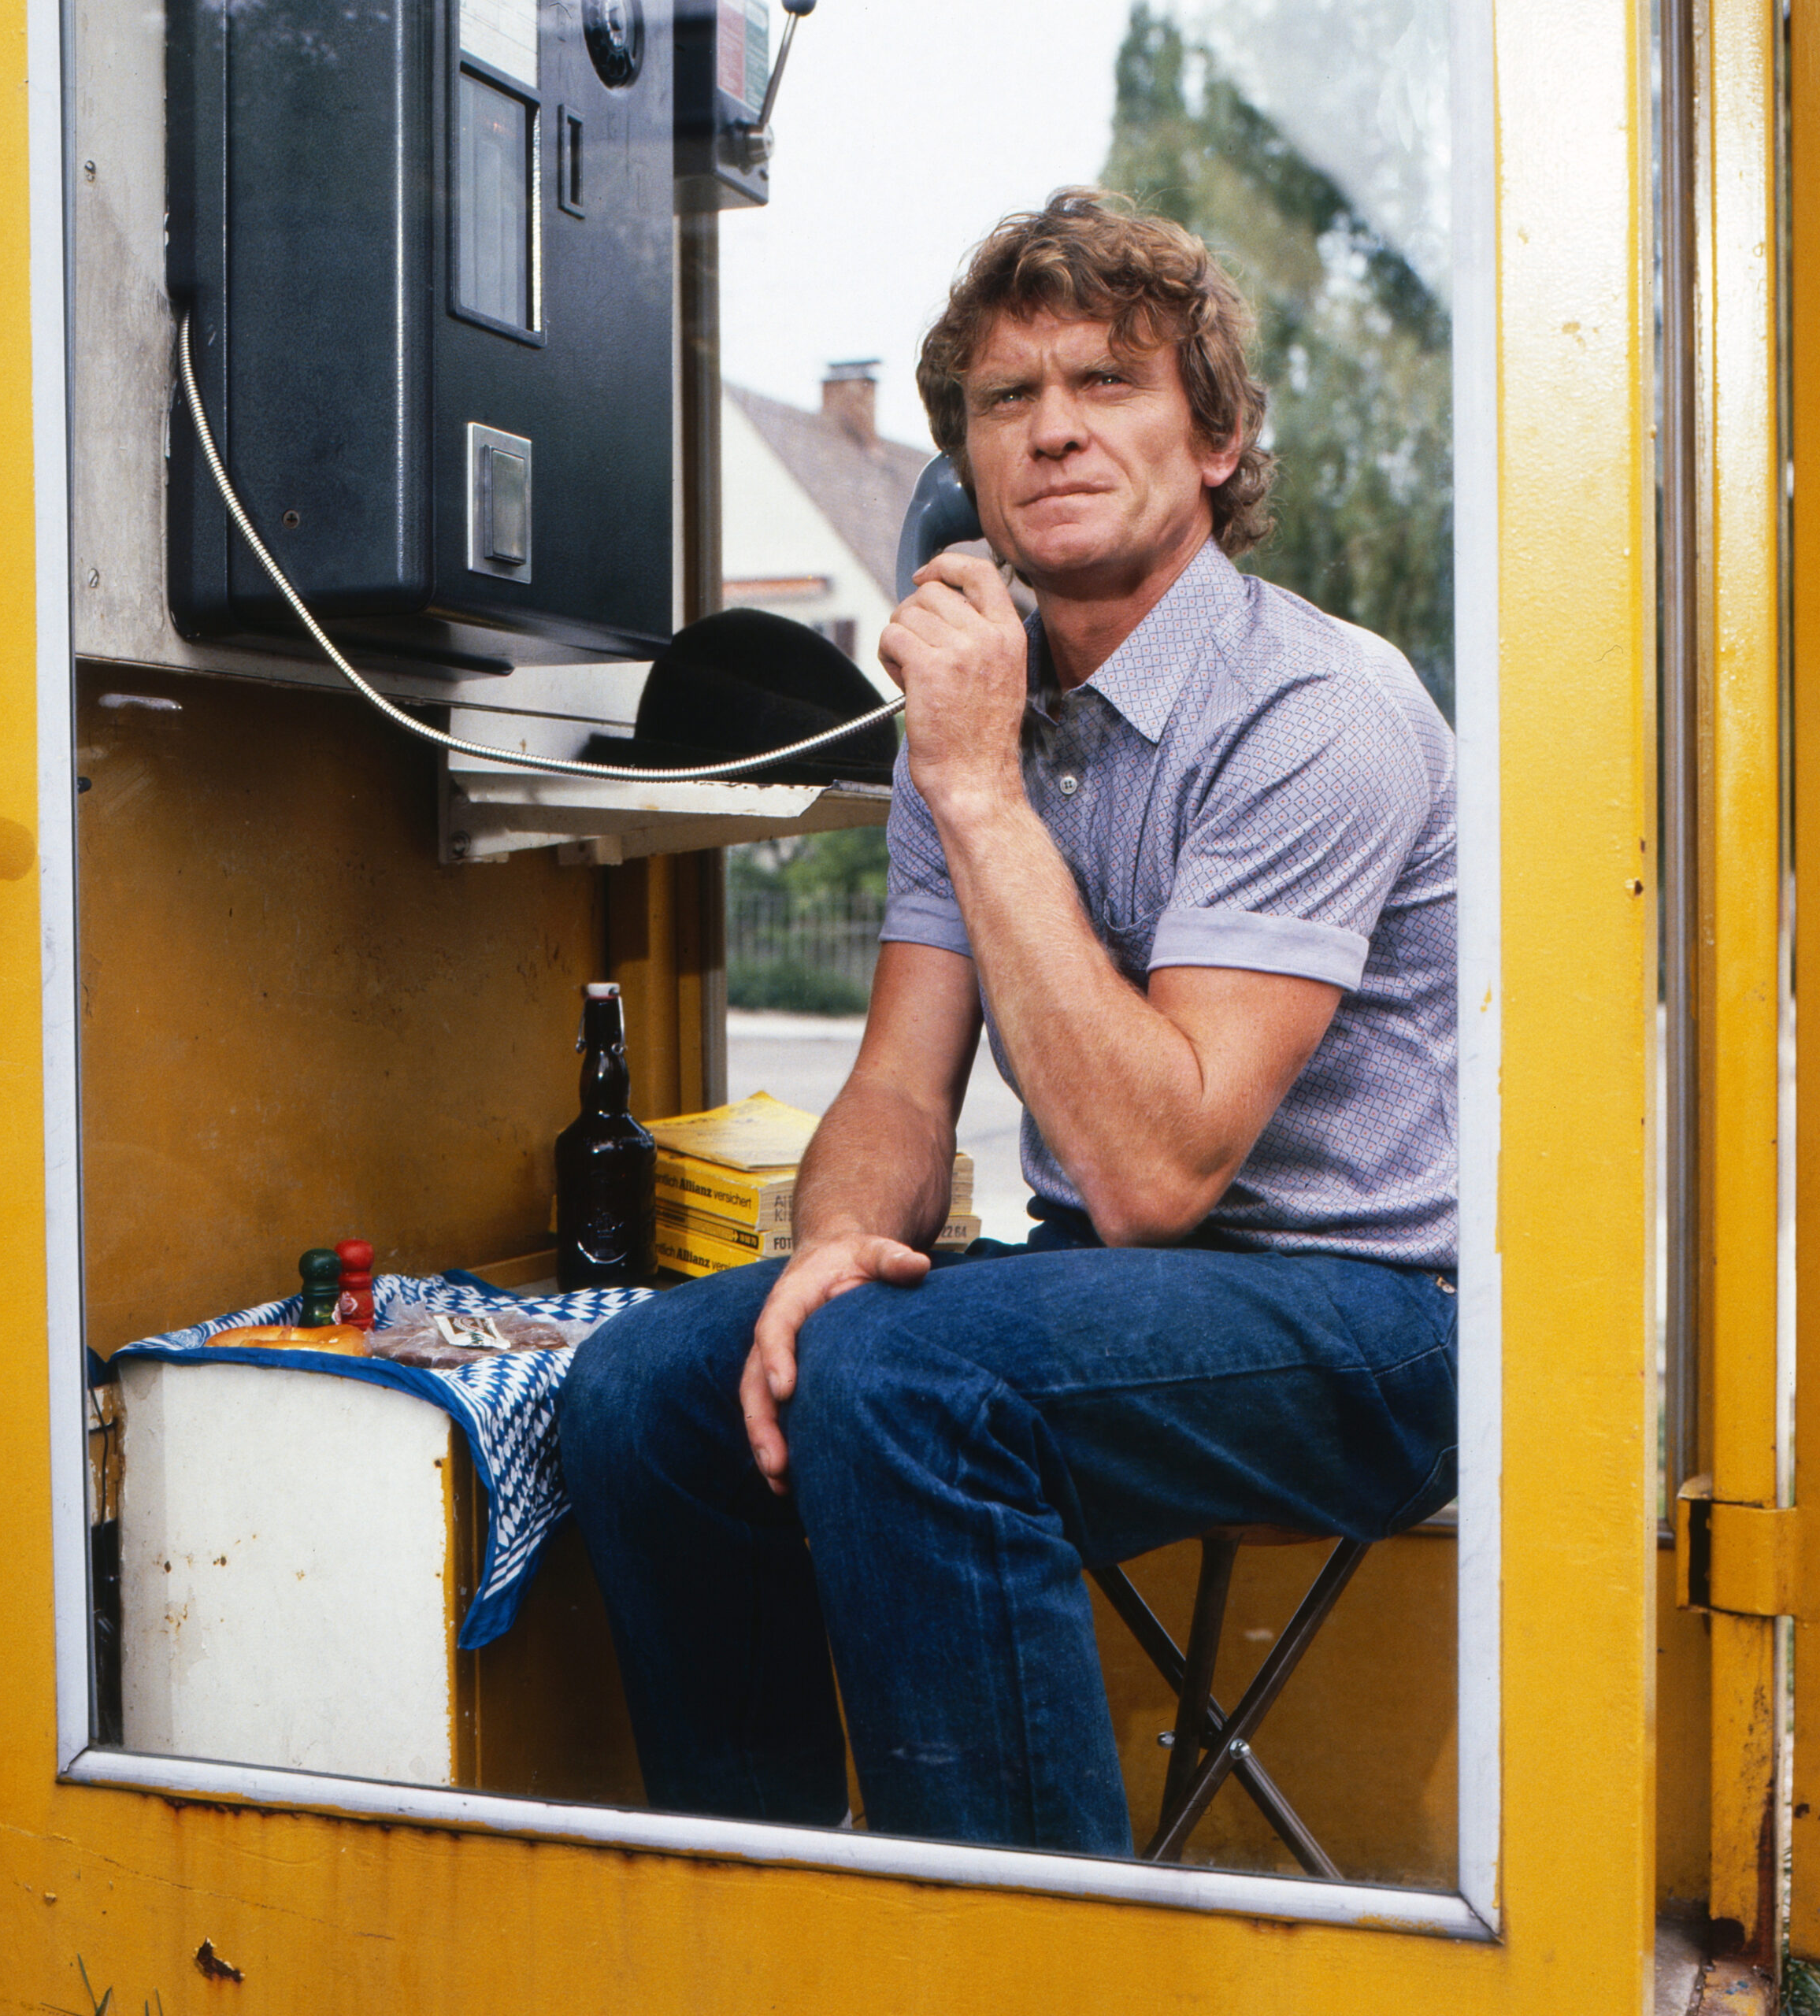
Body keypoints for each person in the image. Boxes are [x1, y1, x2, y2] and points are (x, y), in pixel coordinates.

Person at [558, 188, 1457, 1859]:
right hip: (1098, 1293)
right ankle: (779, 1909)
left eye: (1108, 381)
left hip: (1372, 1324)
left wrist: (978, 785)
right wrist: (832, 1254)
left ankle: (1025, 1952)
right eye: (1005, 397)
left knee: (907, 1383)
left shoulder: (1320, 708)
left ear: (1218, 439)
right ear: (964, 467)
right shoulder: (975, 715)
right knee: (645, 1386)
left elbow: (1153, 1176)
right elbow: (901, 1088)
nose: (1051, 428)